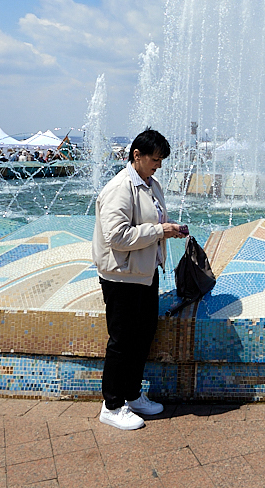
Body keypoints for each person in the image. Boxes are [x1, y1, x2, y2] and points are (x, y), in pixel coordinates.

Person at [91, 128, 188, 431]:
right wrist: (161, 231)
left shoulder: (150, 184)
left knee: (142, 336)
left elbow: (151, 222)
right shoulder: (120, 188)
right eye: (155, 159)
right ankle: (112, 404)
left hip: (144, 274)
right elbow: (117, 237)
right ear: (137, 156)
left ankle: (132, 395)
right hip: (121, 277)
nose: (158, 164)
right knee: (122, 340)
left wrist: (168, 229)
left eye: (161, 160)